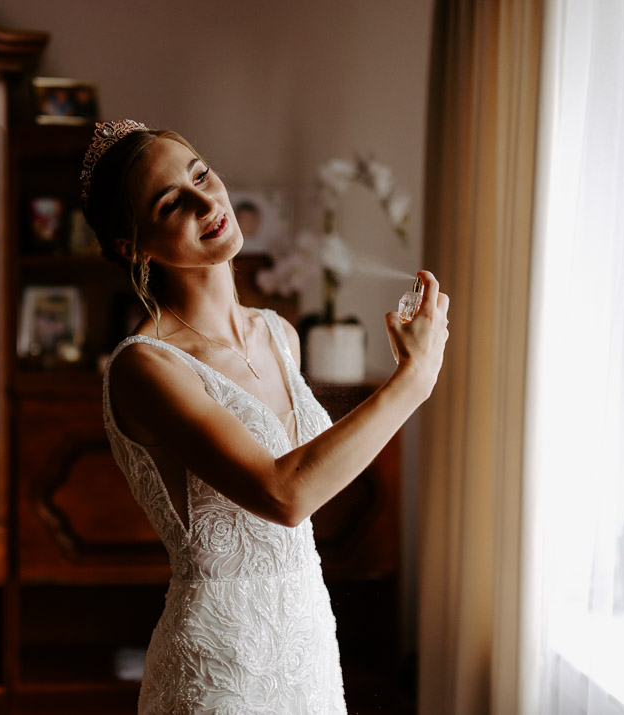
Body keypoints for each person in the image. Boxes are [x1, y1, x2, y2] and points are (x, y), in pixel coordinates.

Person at [82, 119, 449, 714]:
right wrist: (413, 381)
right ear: (133, 247)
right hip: (221, 665)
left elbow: (312, 482)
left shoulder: (279, 334)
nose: (207, 203)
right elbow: (284, 495)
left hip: (305, 643)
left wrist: (413, 378)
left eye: (202, 176)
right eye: (172, 203)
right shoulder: (145, 366)